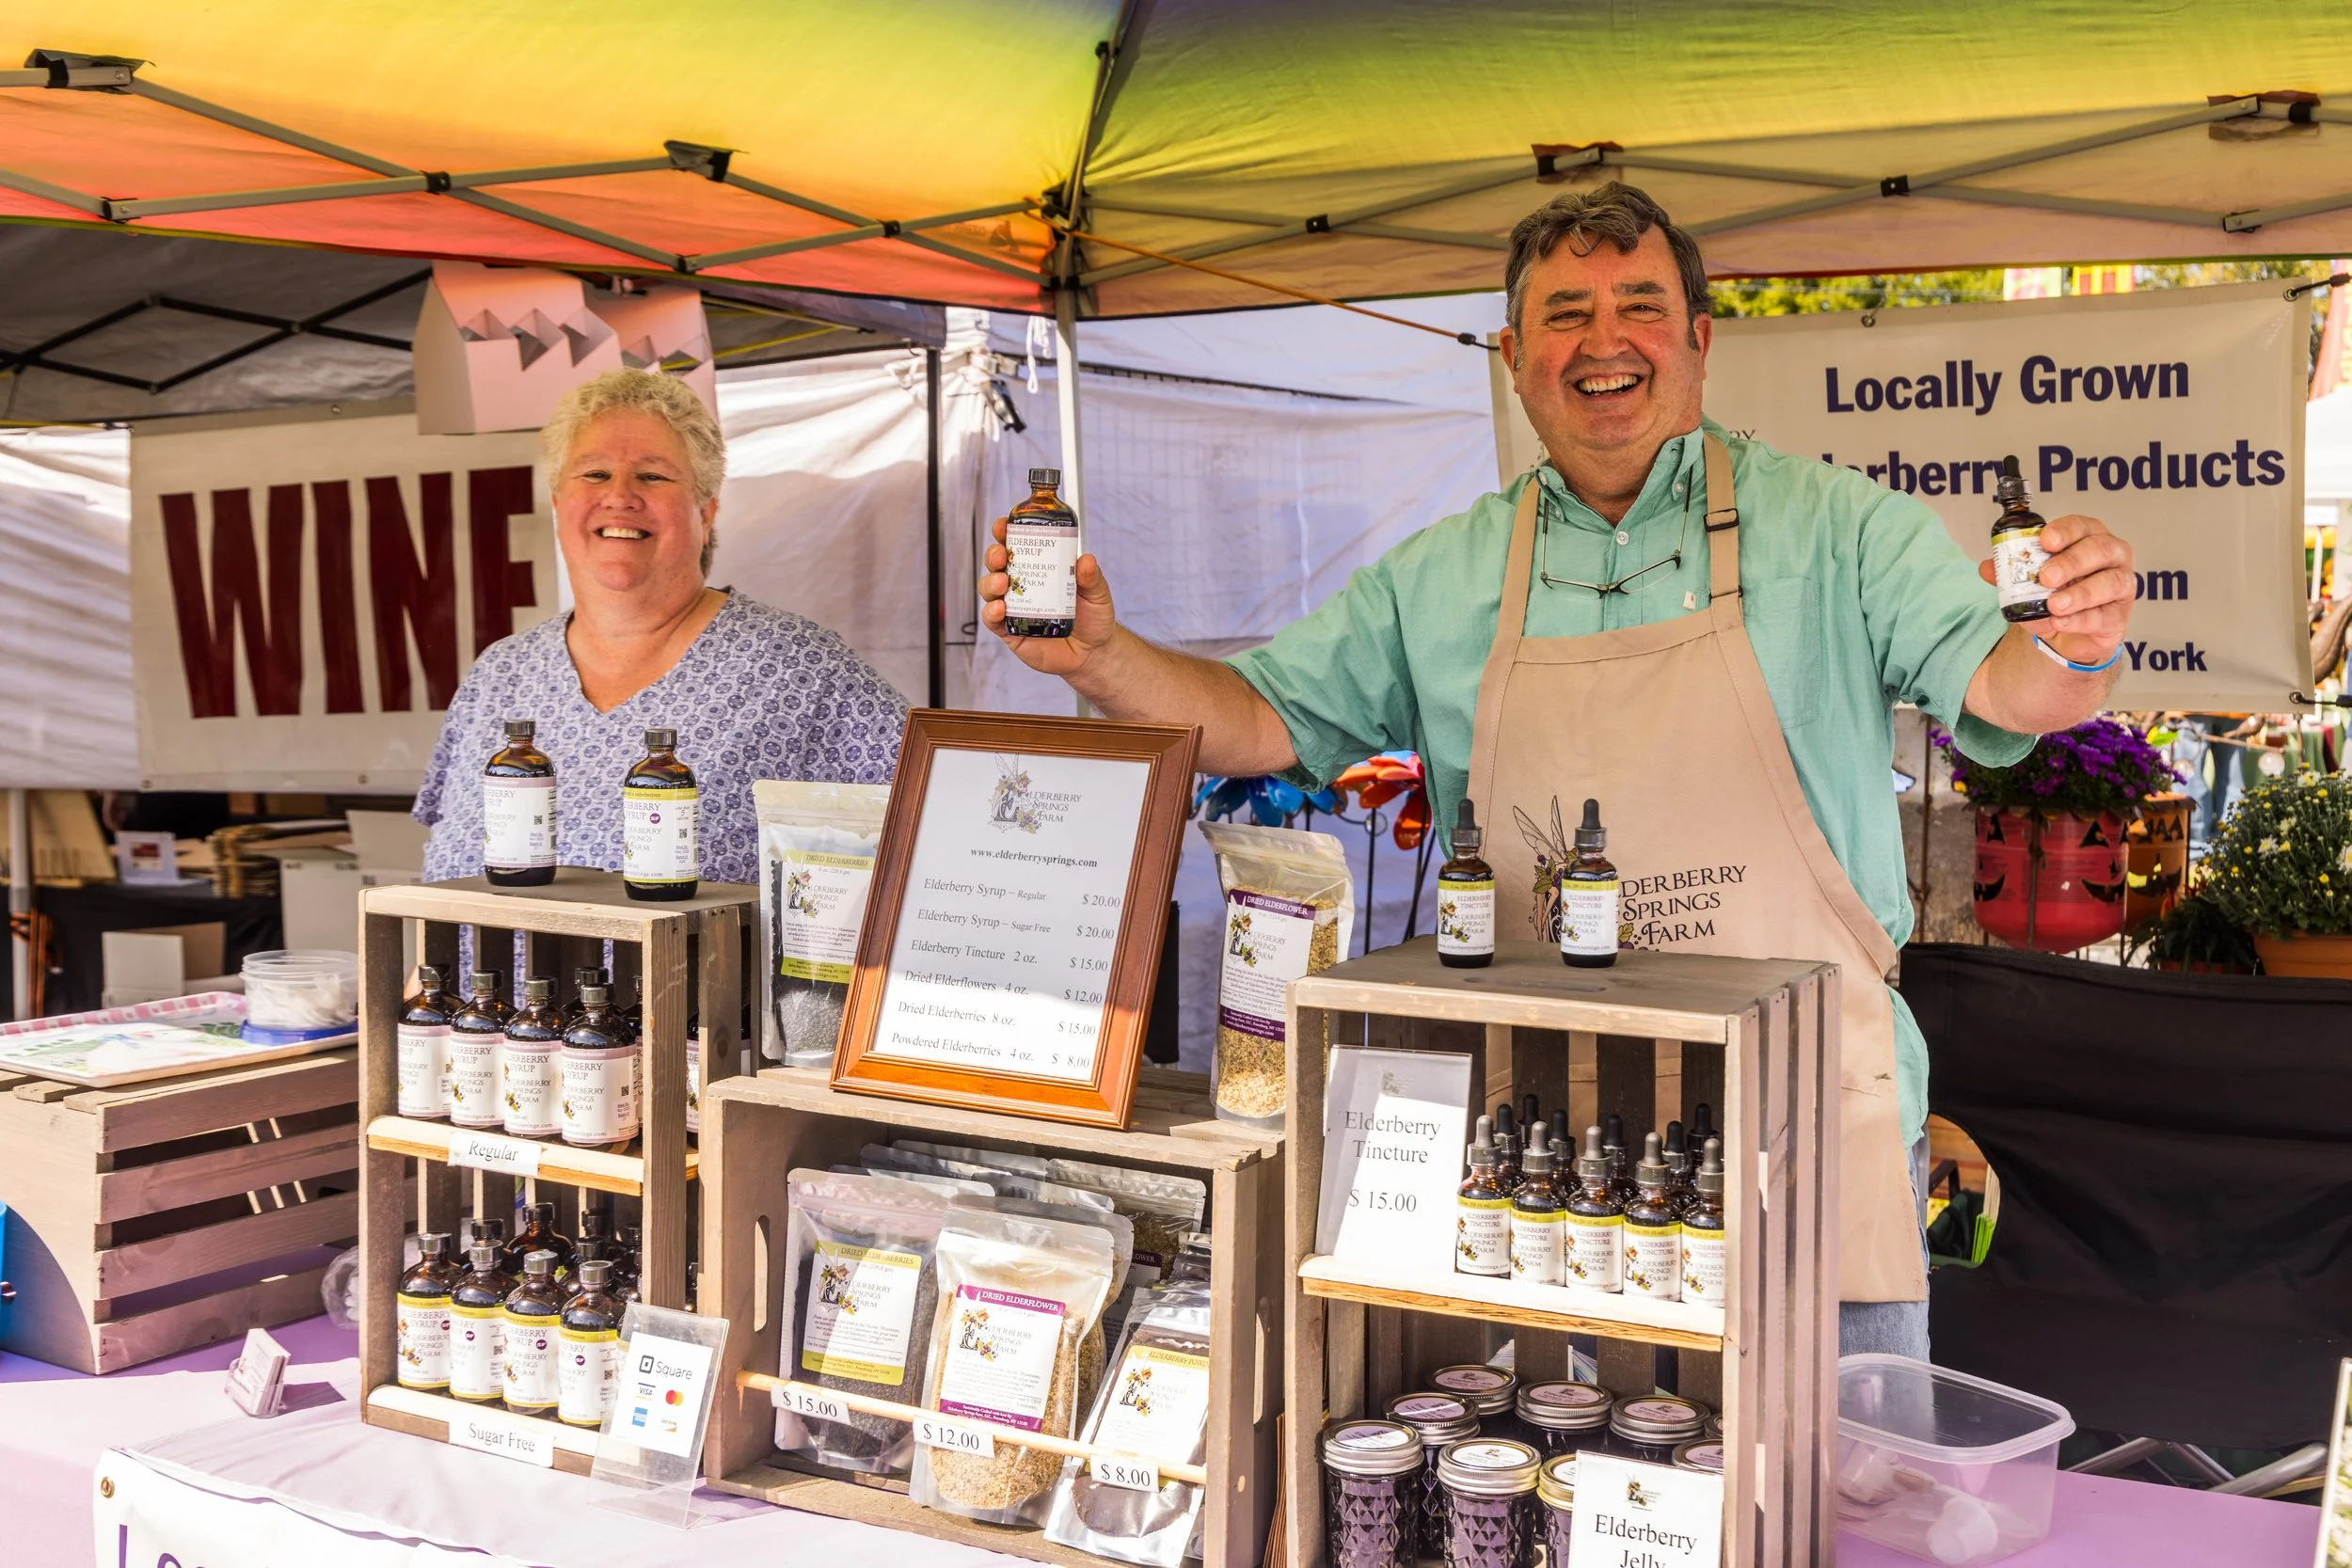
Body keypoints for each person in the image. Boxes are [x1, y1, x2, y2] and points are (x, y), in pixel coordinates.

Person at [978, 182, 2137, 1356]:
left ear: (1696, 338)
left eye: (1640, 304)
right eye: (1562, 314)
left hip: (1808, 1112)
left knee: (1830, 1507)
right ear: (1513, 358)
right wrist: (1104, 658)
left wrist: (2071, 639)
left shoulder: (1841, 527)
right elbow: (1253, 717)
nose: (1602, 340)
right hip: (1545, 1135)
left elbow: (2007, 687)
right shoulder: (1444, 572)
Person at [417, 368, 906, 886]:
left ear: (706, 512)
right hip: (470, 972)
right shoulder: (500, 673)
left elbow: (940, 817)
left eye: (653, 476)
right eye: (595, 474)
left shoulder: (798, 668)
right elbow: (443, 871)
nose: (620, 495)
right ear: (559, 505)